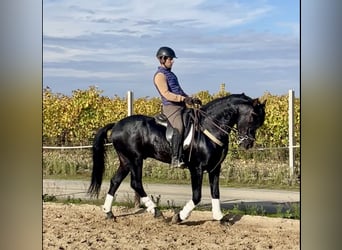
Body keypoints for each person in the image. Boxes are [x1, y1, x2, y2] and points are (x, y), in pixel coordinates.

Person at [153, 46, 202, 168]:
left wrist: (190, 98)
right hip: (171, 107)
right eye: (170, 59)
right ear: (163, 59)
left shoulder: (171, 74)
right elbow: (166, 94)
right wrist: (182, 99)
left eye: (172, 59)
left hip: (181, 106)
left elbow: (178, 91)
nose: (172, 61)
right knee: (179, 127)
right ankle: (175, 158)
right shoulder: (160, 76)